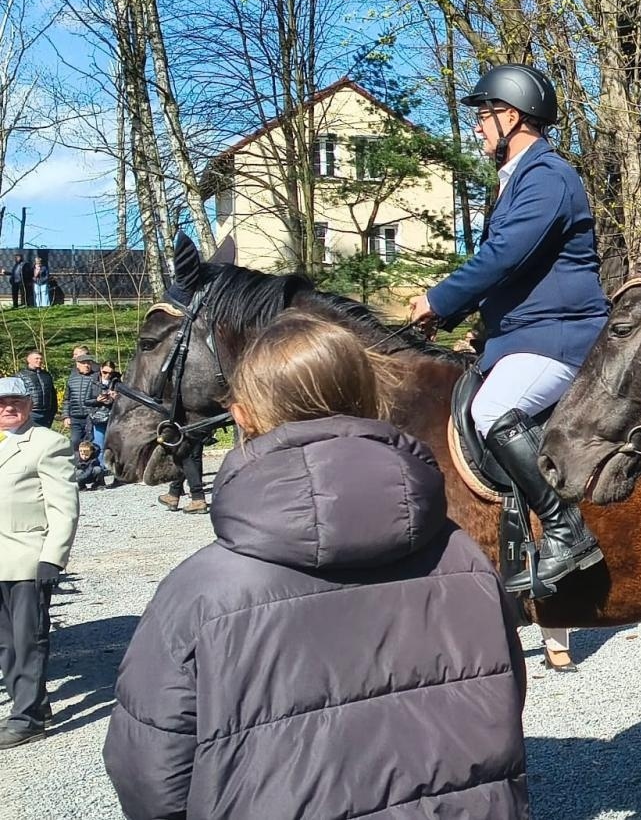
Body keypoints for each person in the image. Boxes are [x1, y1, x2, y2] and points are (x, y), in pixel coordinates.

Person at [103, 311, 528, 818]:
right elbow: (504, 699)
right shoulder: (465, 556)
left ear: (242, 416)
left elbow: (150, 774)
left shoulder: (198, 592)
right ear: (373, 399)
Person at [408, 63, 608, 594]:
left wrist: (437, 299)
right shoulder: (520, 180)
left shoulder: (548, 178)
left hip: (563, 338)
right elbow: (518, 278)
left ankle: (567, 532)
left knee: (491, 409)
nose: (477, 127)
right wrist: (472, 324)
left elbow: (505, 257)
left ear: (512, 117)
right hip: (530, 333)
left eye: (484, 115)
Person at [0, 376, 78, 749]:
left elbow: (64, 507)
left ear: (30, 405)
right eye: (1, 403)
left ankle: (27, 719)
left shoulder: (48, 444)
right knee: (4, 644)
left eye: (15, 402)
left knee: (28, 640)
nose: (8, 408)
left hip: (27, 558)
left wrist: (53, 557)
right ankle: (33, 703)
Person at [64, 353, 99, 457]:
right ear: (77, 364)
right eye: (84, 363)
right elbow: (67, 399)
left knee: (90, 442)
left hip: (90, 416)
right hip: (75, 417)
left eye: (88, 363)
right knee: (75, 441)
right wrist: (66, 416)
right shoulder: (71, 379)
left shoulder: (96, 378)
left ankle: (92, 466)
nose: (87, 365)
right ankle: (77, 464)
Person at [16, 350, 56, 430]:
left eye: (41, 359)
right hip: (31, 413)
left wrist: (53, 410)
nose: (39, 361)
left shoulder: (46, 375)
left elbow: (52, 393)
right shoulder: (20, 376)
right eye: (36, 358)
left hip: (47, 413)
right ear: (28, 360)